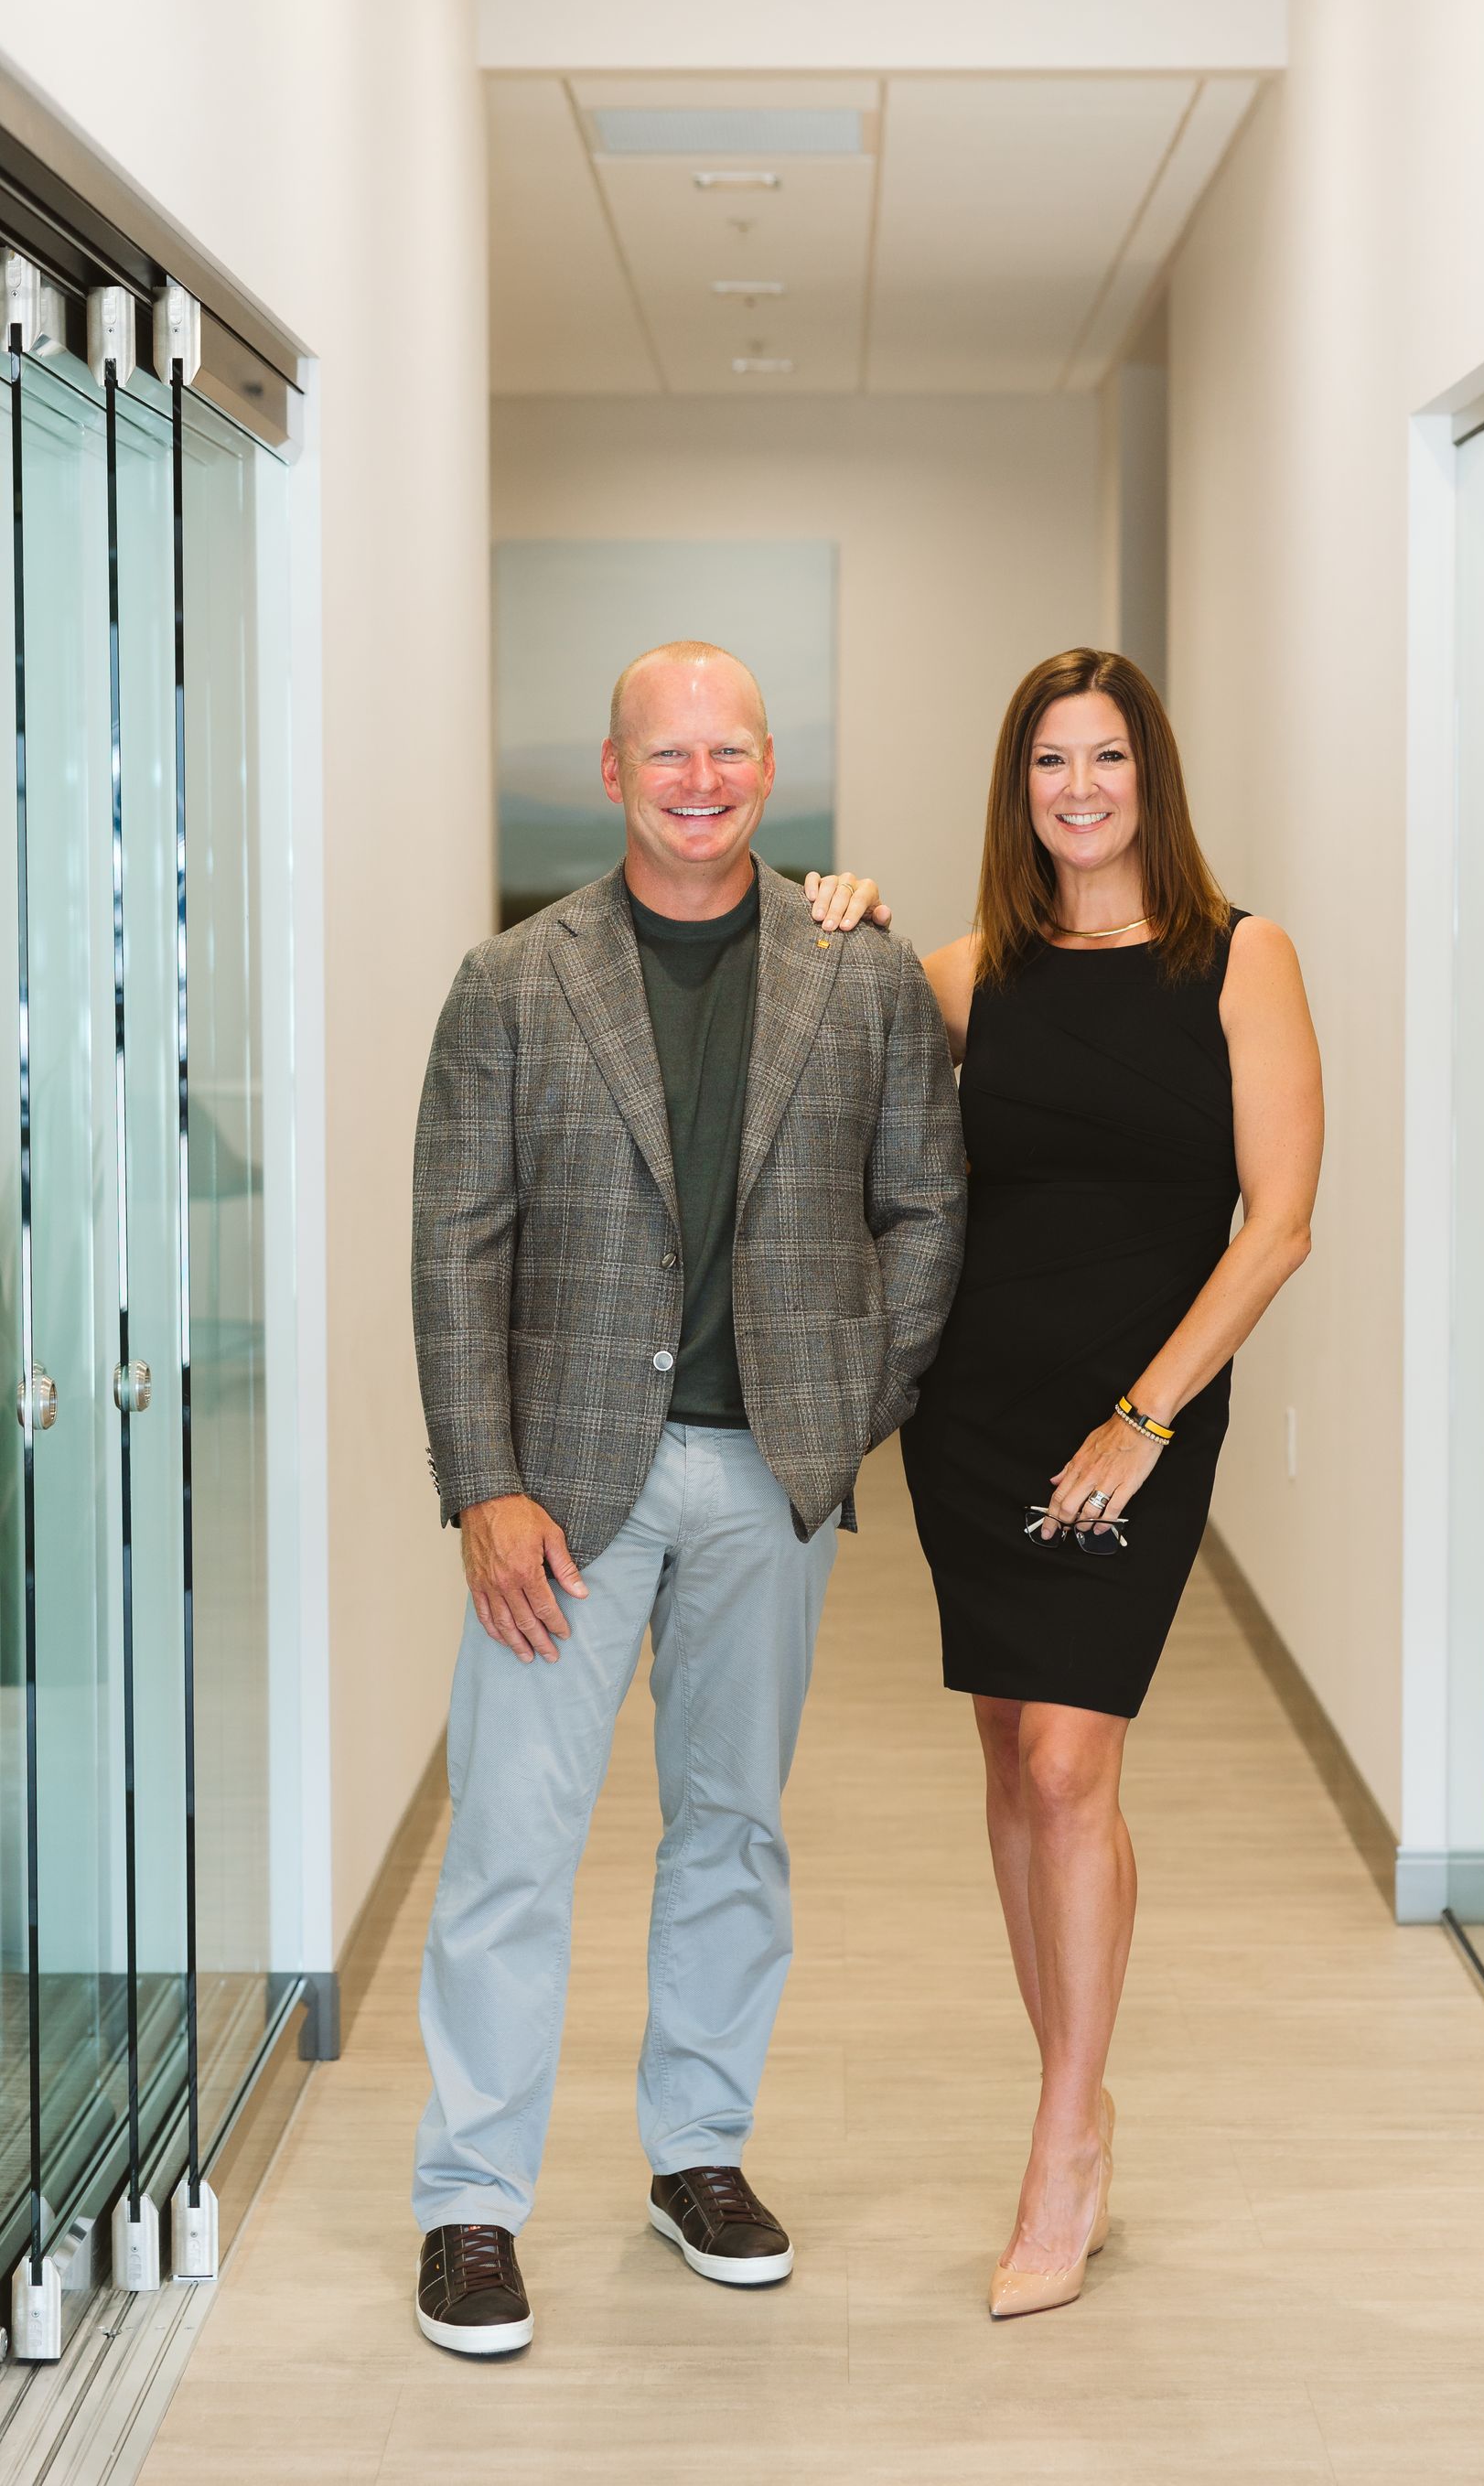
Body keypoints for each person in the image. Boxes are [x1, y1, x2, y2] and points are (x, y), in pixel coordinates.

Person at [408, 640, 966, 2355]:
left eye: (732, 751)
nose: (702, 778)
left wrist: (839, 1418)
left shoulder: (857, 972)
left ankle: (697, 2157)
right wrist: (481, 1487)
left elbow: (926, 1210)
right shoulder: (514, 980)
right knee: (512, 1840)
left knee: (734, 1830)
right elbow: (455, 1247)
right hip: (562, 1496)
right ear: (614, 769)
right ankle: (470, 2206)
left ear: (771, 764)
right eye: (671, 752)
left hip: (767, 1482)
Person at [806, 647, 1322, 2319]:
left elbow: (1281, 1224)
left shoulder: (1245, 964)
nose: (1079, 788)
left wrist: (1147, 1419)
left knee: (1067, 1755)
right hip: (981, 1412)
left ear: (1150, 778)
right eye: (1050, 761)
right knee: (1011, 1765)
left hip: (1138, 1419)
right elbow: (829, 1011)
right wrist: (845, 913)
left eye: (1106, 758)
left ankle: (1060, 2150)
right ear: (1017, 787)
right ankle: (1078, 2092)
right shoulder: (970, 974)